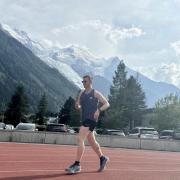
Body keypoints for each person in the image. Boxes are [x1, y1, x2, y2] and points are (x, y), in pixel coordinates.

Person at [65, 75, 110, 174]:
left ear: (90, 82)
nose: (83, 83)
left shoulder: (95, 93)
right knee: (92, 142)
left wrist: (99, 110)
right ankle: (103, 158)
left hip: (91, 120)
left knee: (80, 138)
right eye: (82, 81)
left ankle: (77, 164)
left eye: (85, 81)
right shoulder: (82, 92)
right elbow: (79, 105)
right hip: (85, 119)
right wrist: (77, 105)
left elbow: (107, 103)